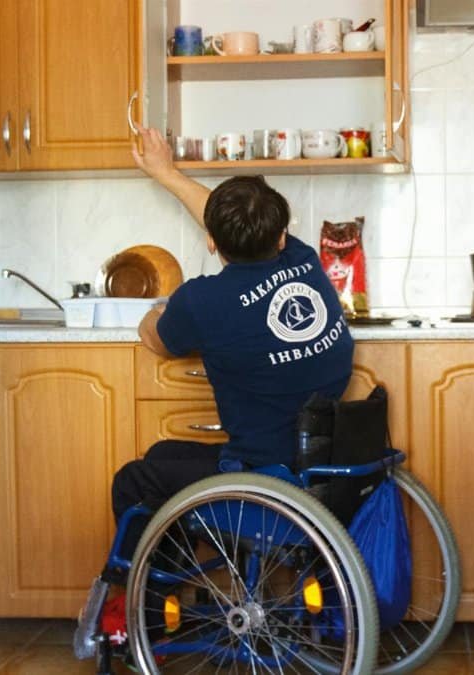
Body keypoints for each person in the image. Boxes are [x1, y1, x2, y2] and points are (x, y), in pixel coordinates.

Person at [74, 128, 354, 658]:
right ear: (279, 235)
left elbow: (155, 340)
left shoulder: (205, 300)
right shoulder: (303, 261)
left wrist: (165, 310)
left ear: (209, 241)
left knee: (136, 480)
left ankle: (149, 620)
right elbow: (238, 225)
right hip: (321, 466)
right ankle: (180, 596)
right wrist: (166, 172)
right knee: (165, 458)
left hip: (262, 479)